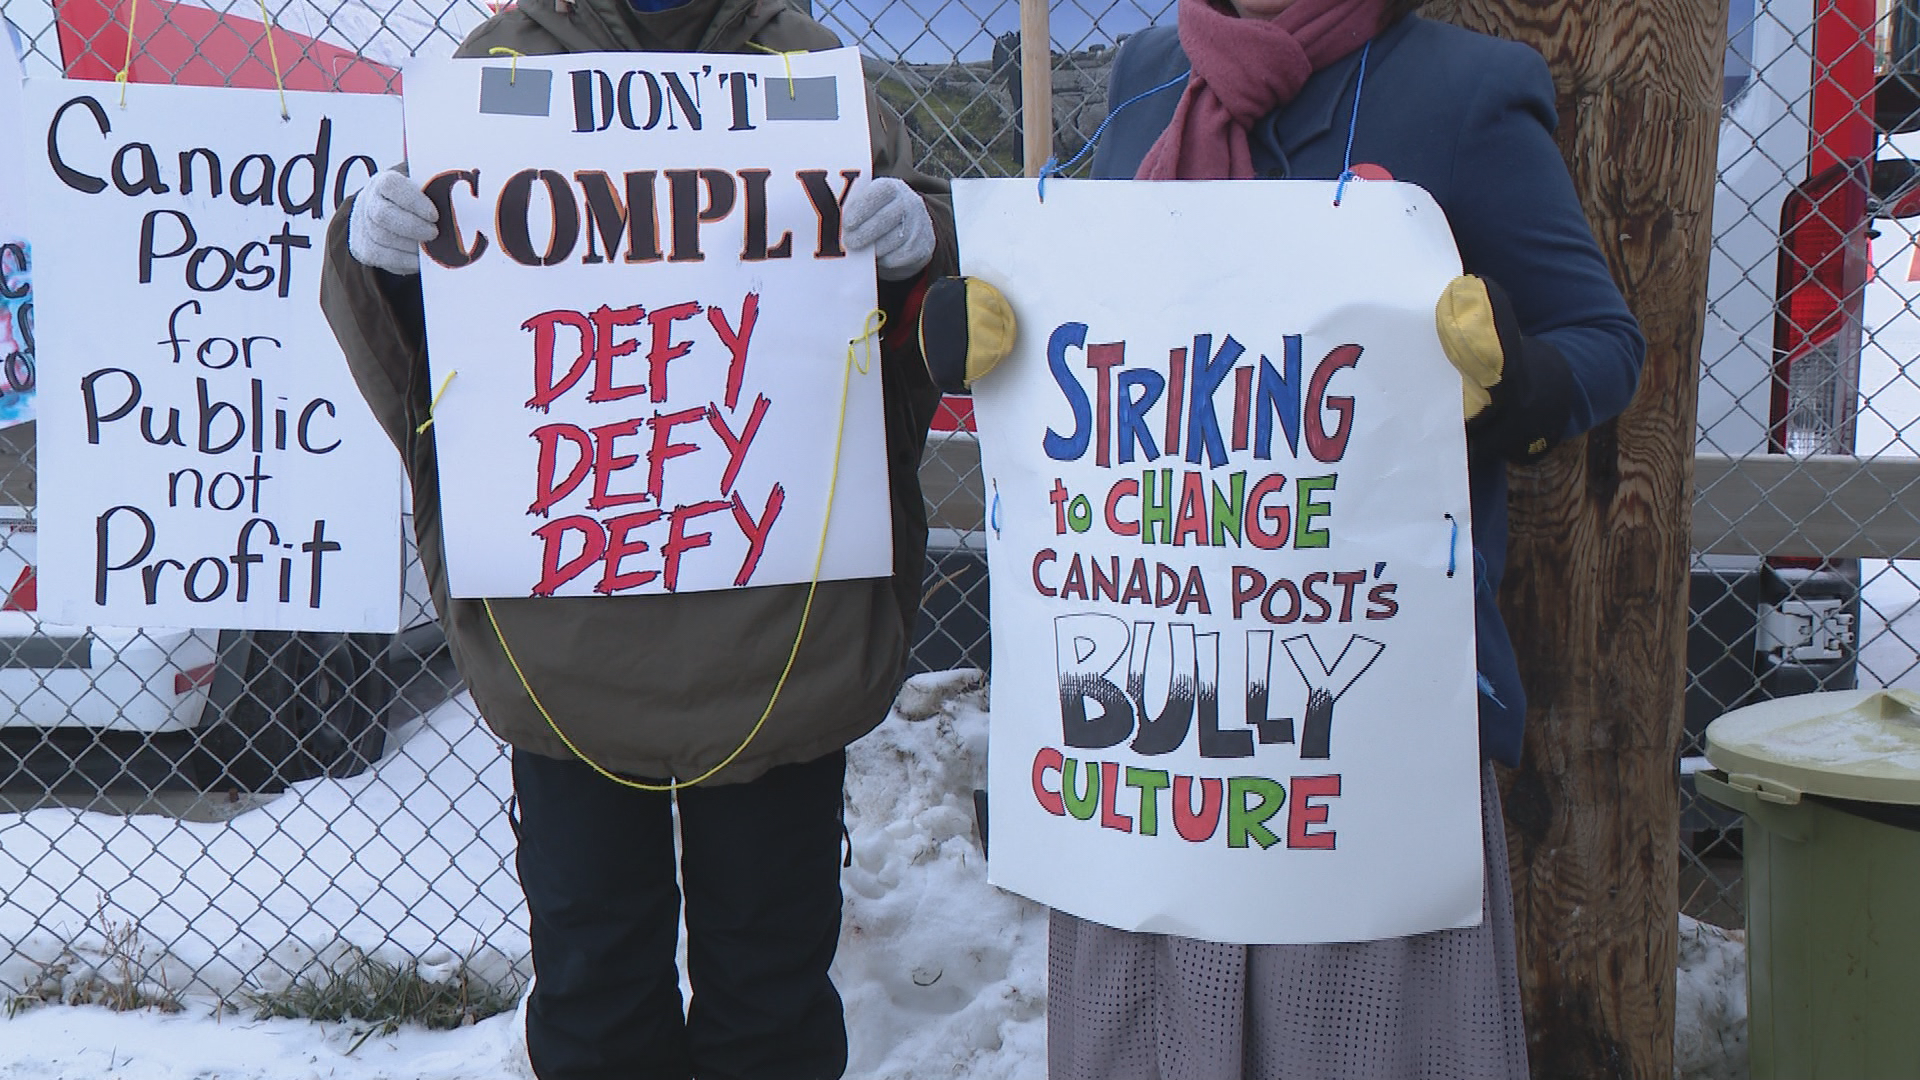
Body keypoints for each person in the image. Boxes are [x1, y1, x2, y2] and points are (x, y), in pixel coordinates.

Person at [318, 0, 955, 1075]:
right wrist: (375, 255)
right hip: (571, 627)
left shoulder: (802, 71)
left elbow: (936, 313)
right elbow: (440, 338)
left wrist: (924, 241)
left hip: (775, 628)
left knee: (767, 984)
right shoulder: (502, 70)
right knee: (598, 982)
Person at [1037, 0, 1649, 1078]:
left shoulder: (1461, 90)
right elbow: (1106, 310)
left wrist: (1510, 376)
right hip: (1158, 718)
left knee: (1358, 1043)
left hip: (1357, 715)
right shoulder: (1145, 73)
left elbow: (1603, 342)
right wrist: (999, 335)